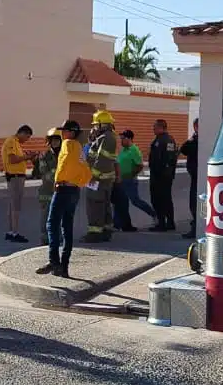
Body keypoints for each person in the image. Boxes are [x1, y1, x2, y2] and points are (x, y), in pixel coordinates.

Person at [39, 120, 89, 278]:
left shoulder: (67, 144)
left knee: (52, 223)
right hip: (74, 190)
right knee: (67, 227)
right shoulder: (79, 147)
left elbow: (64, 164)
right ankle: (64, 266)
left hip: (63, 188)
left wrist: (58, 181)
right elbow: (86, 170)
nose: (62, 134)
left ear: (70, 132)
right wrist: (79, 183)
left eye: (64, 131)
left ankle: (54, 261)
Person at [83, 109, 120, 242]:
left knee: (95, 204)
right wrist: (92, 140)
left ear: (101, 125)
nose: (93, 128)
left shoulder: (107, 138)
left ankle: (95, 233)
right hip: (101, 178)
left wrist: (92, 176)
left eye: (95, 125)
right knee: (102, 204)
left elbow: (102, 160)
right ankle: (105, 230)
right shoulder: (103, 137)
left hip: (98, 178)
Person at [111, 129, 153, 232]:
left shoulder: (134, 150)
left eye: (123, 139)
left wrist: (131, 175)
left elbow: (139, 165)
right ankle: (117, 224)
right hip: (121, 180)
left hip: (129, 181)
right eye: (120, 139)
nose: (121, 141)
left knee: (135, 201)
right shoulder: (123, 150)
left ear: (129, 139)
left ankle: (153, 214)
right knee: (119, 202)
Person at [1, 124, 34, 243]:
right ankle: (14, 232)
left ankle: (11, 231)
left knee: (13, 205)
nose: (27, 140)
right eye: (27, 137)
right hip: (15, 177)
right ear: (22, 133)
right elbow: (12, 159)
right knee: (16, 206)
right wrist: (27, 157)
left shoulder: (16, 143)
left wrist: (26, 157)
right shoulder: (11, 142)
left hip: (17, 177)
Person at [30, 127, 63, 245]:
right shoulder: (44, 156)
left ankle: (58, 236)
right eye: (52, 140)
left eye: (57, 140)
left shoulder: (65, 155)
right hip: (47, 191)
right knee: (46, 215)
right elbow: (44, 172)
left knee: (60, 215)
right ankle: (45, 237)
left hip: (61, 190)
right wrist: (60, 173)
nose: (55, 142)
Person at [146, 119, 179, 232]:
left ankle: (162, 223)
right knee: (166, 199)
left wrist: (163, 172)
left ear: (161, 127)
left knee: (159, 199)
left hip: (161, 176)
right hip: (162, 175)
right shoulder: (162, 139)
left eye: (155, 127)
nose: (153, 129)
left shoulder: (166, 140)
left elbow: (169, 158)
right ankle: (169, 222)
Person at [179, 118, 201, 239]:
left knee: (195, 203)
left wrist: (194, 137)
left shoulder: (197, 140)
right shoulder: (197, 139)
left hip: (198, 175)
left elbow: (184, 148)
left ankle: (196, 228)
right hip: (196, 174)